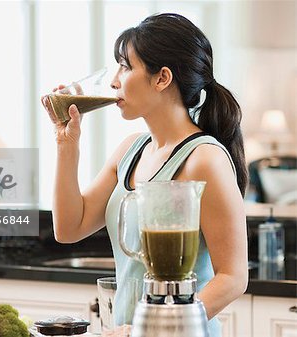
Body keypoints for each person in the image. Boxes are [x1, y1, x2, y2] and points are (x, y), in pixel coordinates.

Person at [41, 13, 248, 337]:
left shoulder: (204, 159)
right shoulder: (130, 151)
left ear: (162, 78)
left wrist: (159, 324)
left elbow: (233, 277)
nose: (114, 81)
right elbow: (68, 228)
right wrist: (66, 145)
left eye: (126, 67)